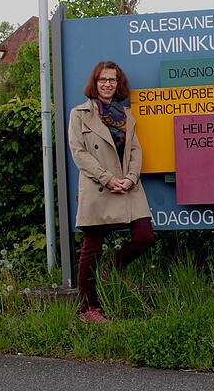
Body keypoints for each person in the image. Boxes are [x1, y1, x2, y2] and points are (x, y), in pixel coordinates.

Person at [68, 61, 155, 323]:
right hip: (98, 186)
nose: (107, 84)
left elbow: (136, 150)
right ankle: (87, 308)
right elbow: (79, 153)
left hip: (129, 186)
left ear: (119, 84)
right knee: (91, 246)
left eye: (113, 80)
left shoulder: (126, 115)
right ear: (94, 83)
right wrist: (107, 179)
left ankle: (111, 270)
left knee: (144, 237)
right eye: (103, 79)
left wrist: (130, 178)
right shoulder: (79, 113)